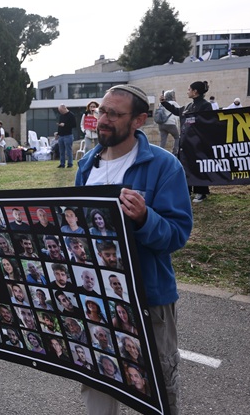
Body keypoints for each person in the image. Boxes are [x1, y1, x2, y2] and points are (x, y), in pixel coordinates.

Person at [78, 84, 192, 415]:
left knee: (158, 388)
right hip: (97, 298)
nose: (103, 119)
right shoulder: (86, 164)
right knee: (98, 379)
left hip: (148, 299)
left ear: (139, 120)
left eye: (114, 114)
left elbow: (177, 235)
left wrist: (144, 218)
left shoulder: (163, 165)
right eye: (101, 111)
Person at [160, 80, 213, 203]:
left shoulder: (205, 105)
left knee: (198, 167)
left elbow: (208, 123)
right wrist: (164, 103)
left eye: (189, 89)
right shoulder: (190, 105)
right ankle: (186, 191)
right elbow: (178, 111)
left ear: (195, 91)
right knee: (186, 167)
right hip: (186, 143)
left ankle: (201, 192)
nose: (187, 91)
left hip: (198, 143)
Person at [158, 90, 180, 155]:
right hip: (170, 124)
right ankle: (175, 152)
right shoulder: (174, 103)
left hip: (161, 124)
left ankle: (160, 153)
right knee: (177, 137)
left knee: (163, 140)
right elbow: (179, 111)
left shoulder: (160, 104)